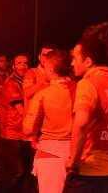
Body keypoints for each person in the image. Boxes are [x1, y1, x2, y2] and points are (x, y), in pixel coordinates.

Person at [65, 36, 108, 192]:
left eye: (75, 58)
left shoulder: (88, 83)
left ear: (88, 61)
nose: (72, 63)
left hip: (88, 174)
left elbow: (81, 124)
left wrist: (73, 162)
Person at [23, 49, 75, 193]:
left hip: (50, 153)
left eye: (44, 67)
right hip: (77, 152)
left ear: (51, 69)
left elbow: (27, 128)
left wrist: (33, 134)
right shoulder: (81, 89)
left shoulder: (44, 94)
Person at [0, 54, 32, 193]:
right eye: (19, 63)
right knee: (15, 173)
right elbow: (21, 110)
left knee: (23, 173)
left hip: (22, 134)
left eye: (25, 63)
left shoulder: (26, 82)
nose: (22, 66)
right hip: (11, 135)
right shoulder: (11, 82)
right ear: (13, 66)